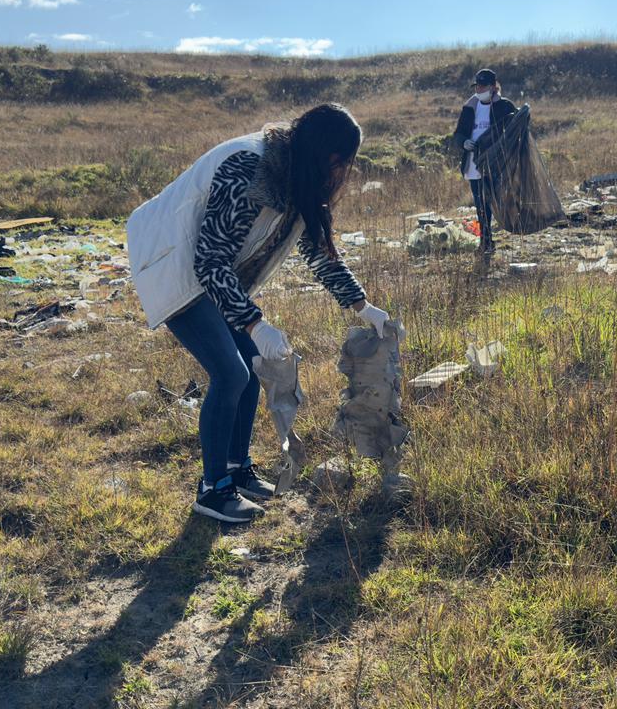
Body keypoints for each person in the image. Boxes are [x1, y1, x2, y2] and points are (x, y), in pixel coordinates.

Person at [127, 104, 391, 523]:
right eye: (340, 163)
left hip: (211, 273)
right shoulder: (251, 167)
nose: (341, 173)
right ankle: (213, 491)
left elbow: (320, 255)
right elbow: (209, 259)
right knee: (230, 373)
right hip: (172, 263)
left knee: (251, 365)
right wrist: (255, 323)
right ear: (325, 154)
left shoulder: (298, 174)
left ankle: (236, 470)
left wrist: (364, 307)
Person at [453, 68, 517, 254]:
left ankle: (504, 232)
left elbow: (515, 129)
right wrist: (464, 142)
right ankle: (486, 240)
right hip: (474, 162)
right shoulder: (470, 107)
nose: (478, 90)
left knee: (496, 199)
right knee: (481, 202)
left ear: (492, 87)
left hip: (496, 163)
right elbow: (458, 134)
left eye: (482, 86)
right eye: (477, 86)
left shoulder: (504, 106)